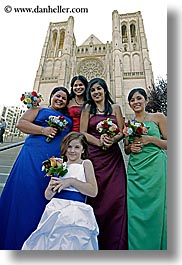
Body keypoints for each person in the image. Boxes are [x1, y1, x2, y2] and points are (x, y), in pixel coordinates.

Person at [0, 87, 72, 250]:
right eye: (57, 96)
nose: (60, 99)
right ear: (51, 96)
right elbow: (21, 124)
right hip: (32, 157)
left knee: (45, 198)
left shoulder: (68, 119)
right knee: (26, 194)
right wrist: (43, 130)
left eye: (64, 98)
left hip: (54, 161)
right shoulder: (39, 109)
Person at [22, 132, 99, 250]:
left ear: (83, 150)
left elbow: (93, 191)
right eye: (69, 146)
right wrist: (50, 187)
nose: (72, 150)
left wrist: (71, 181)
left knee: (72, 244)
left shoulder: (85, 163)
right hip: (56, 208)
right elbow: (48, 196)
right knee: (51, 242)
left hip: (76, 210)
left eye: (77, 147)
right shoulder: (59, 165)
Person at [80, 77, 128, 250]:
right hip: (94, 158)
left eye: (99, 89)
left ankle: (115, 243)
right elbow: (83, 132)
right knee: (96, 197)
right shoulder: (87, 108)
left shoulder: (115, 108)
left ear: (105, 90)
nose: (96, 92)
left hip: (113, 158)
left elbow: (122, 131)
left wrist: (112, 140)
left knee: (117, 197)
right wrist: (100, 142)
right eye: (92, 90)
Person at [124, 88, 167, 250]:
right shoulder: (128, 124)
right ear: (129, 104)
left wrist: (150, 139)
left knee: (157, 208)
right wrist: (130, 148)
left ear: (146, 100)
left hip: (156, 167)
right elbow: (127, 148)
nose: (136, 102)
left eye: (139, 98)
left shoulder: (159, 117)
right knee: (136, 211)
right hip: (136, 170)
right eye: (132, 100)